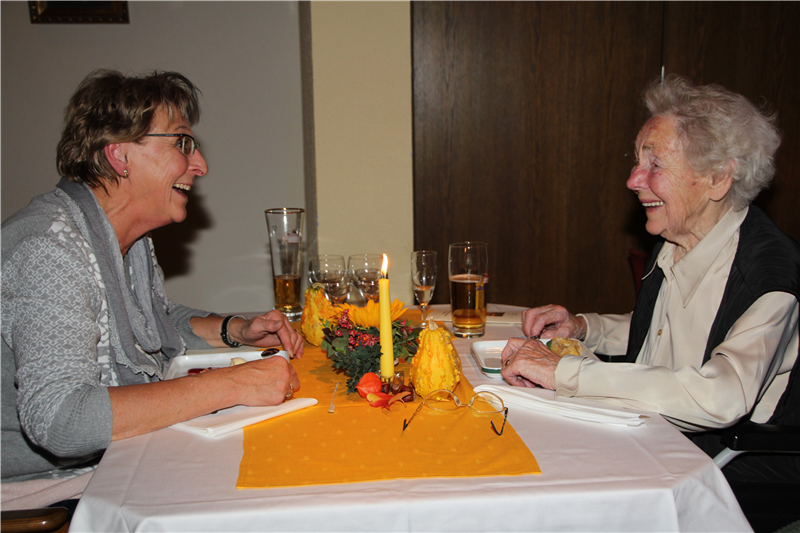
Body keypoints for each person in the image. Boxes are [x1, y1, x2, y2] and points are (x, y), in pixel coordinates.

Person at [1, 70, 304, 487]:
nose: (200, 165)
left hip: (108, 460)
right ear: (119, 155)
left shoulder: (126, 241)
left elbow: (154, 325)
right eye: (182, 142)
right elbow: (60, 419)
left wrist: (237, 332)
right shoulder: (48, 249)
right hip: (38, 487)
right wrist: (230, 384)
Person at [501, 75, 799, 482]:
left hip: (729, 467)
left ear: (717, 178)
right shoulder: (681, 235)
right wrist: (586, 329)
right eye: (637, 160)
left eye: (654, 164)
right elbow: (666, 335)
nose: (633, 180)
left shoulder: (768, 276)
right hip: (654, 435)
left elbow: (721, 397)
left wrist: (563, 372)